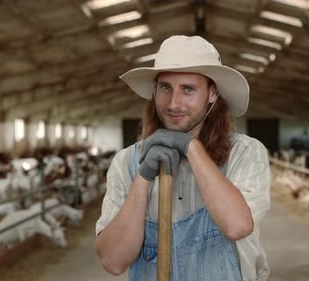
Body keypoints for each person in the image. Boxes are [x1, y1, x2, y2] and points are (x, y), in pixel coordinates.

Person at [94, 35, 271, 281]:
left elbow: (237, 226)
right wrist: (143, 178)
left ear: (212, 93)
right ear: (155, 91)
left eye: (188, 89)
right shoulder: (127, 162)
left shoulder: (245, 153)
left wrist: (192, 149)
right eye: (166, 87)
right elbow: (113, 262)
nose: (174, 103)